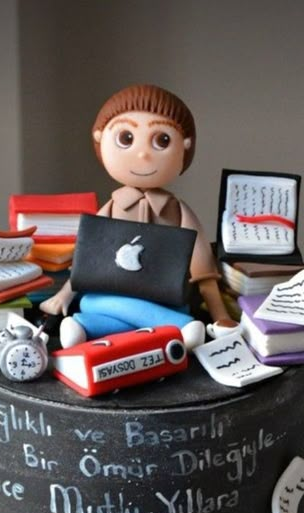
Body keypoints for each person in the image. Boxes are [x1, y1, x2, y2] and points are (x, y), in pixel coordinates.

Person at [40, 84, 235, 347]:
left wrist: (220, 315)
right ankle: (177, 329)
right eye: (126, 138)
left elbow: (203, 270)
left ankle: (88, 327)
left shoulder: (177, 211)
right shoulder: (111, 208)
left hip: (163, 297)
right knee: (90, 301)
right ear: (100, 138)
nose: (143, 154)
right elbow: (87, 262)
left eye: (162, 140)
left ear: (185, 146)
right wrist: (65, 295)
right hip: (117, 294)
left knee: (103, 305)